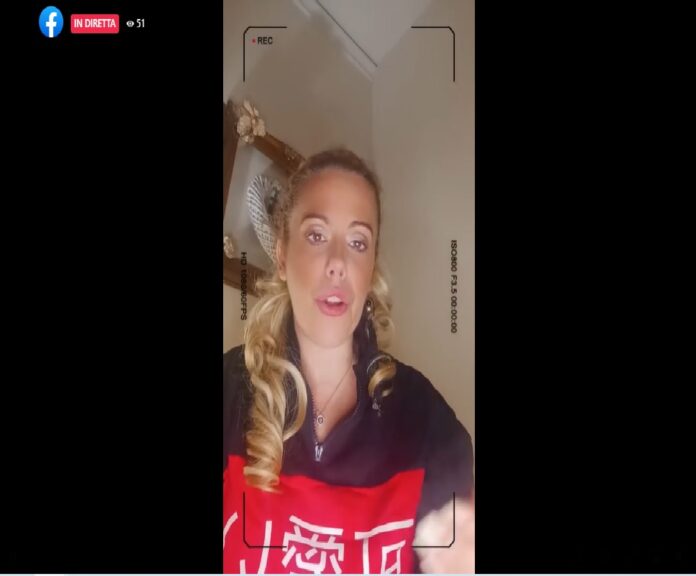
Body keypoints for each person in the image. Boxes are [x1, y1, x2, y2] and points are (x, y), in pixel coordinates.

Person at [223, 148, 474, 574]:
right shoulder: (230, 391)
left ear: (370, 267)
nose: (338, 262)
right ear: (281, 256)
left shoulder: (426, 421)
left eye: (358, 243)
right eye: (316, 235)